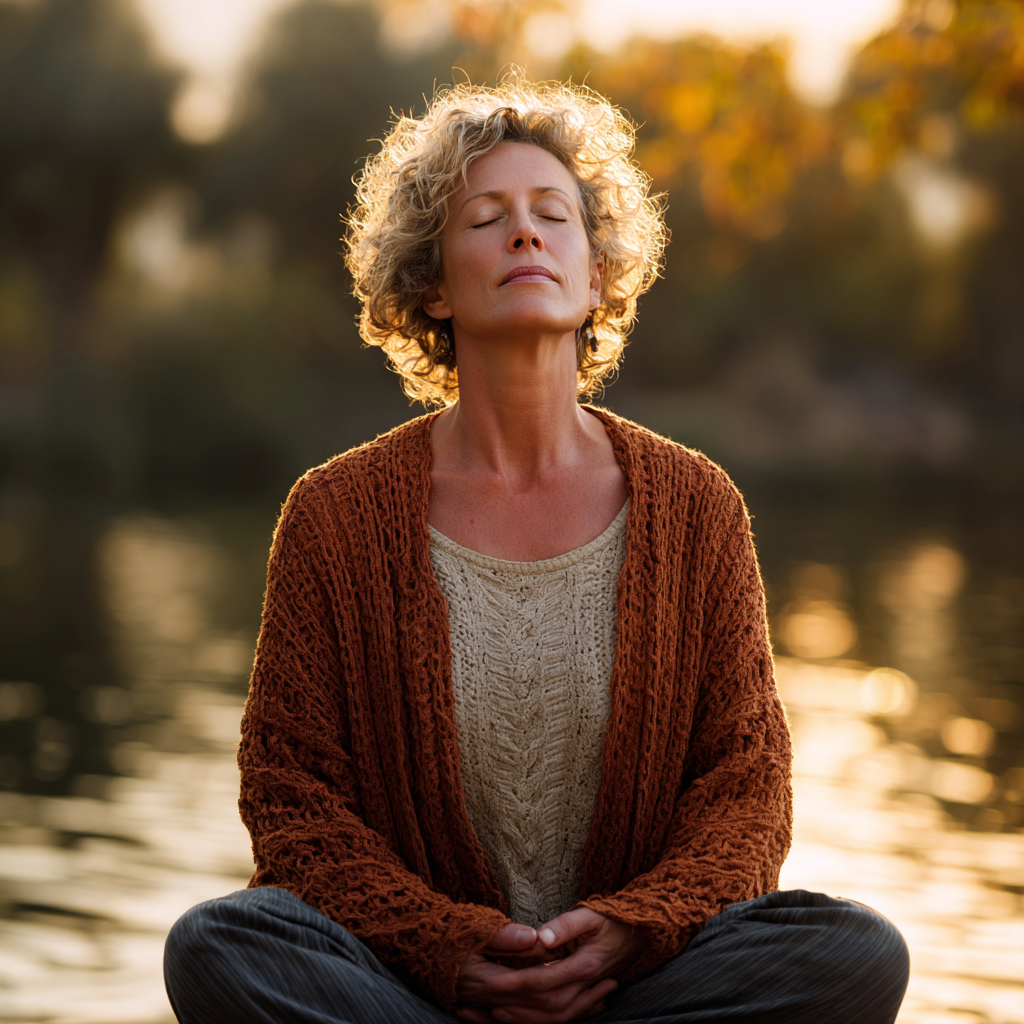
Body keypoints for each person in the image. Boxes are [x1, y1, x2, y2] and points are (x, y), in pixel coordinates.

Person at [163, 79, 909, 1024]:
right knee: (220, 944)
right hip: (416, 991)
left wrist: (635, 929)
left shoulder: (697, 506)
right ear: (430, 283)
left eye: (551, 214)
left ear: (596, 274)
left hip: (633, 988)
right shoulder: (333, 516)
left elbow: (746, 787)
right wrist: (448, 949)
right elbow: (290, 797)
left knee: (852, 950)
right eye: (487, 218)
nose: (525, 234)